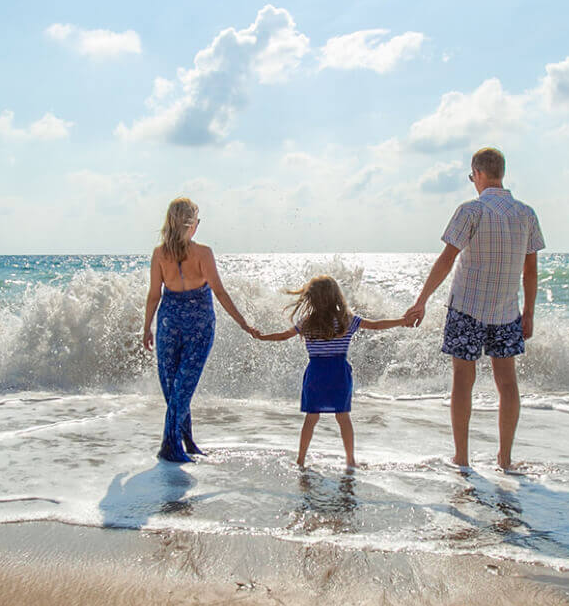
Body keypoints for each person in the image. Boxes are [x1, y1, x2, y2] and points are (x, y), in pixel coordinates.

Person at [402, 147, 545, 471]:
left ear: (477, 174)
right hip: (507, 311)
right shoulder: (526, 213)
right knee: (507, 384)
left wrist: (421, 300)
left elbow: (446, 259)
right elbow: (531, 272)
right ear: (501, 173)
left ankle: (462, 458)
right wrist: (530, 312)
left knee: (463, 382)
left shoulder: (471, 210)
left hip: (466, 308)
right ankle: (504, 459)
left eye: (471, 177)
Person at [250, 275, 410, 470]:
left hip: (316, 373)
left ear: (311, 298)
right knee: (343, 417)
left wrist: (262, 337)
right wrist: (402, 321)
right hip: (339, 373)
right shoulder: (346, 320)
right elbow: (376, 325)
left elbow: (283, 336)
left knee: (311, 417)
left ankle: (301, 460)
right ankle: (350, 460)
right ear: (336, 296)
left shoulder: (306, 322)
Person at [140, 197, 256, 463]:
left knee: (176, 387)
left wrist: (147, 327)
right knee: (181, 387)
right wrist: (243, 323)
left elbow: (153, 296)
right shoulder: (203, 253)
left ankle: (186, 442)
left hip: (168, 322)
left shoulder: (160, 254)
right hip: (199, 325)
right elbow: (219, 291)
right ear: (191, 225)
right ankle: (170, 446)